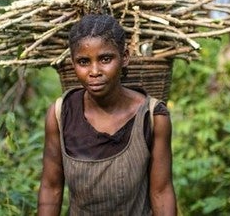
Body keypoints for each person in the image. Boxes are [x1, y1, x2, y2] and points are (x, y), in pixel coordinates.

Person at [37, 14, 177, 215]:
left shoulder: (153, 118)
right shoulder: (60, 115)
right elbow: (51, 188)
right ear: (73, 63)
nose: (94, 71)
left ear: (125, 57)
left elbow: (161, 192)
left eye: (105, 59)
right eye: (84, 62)